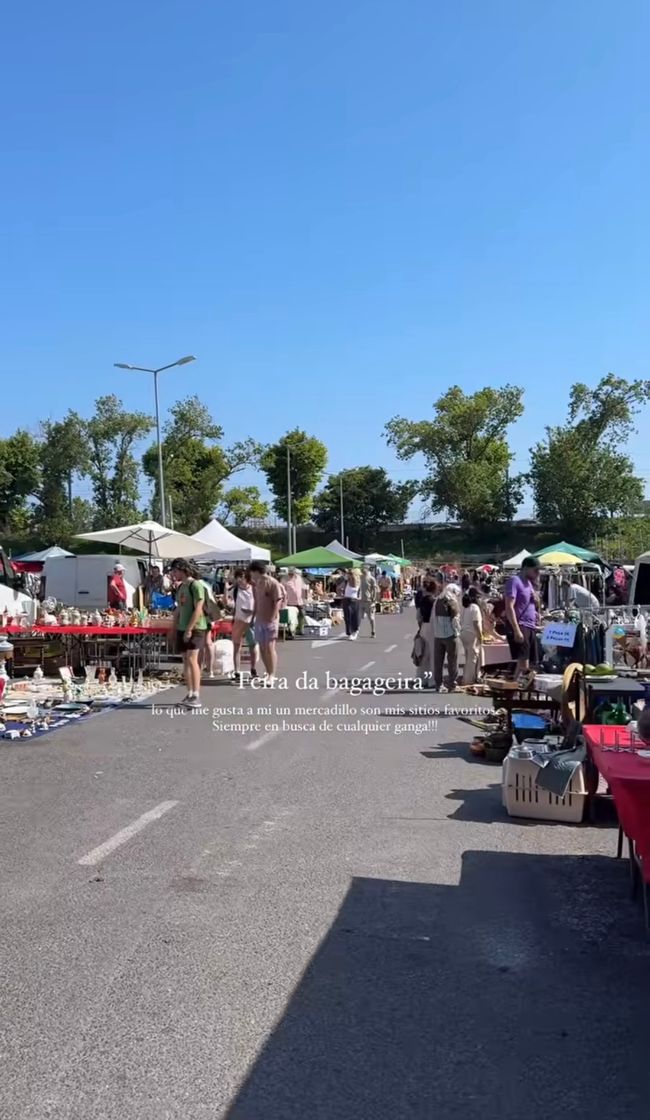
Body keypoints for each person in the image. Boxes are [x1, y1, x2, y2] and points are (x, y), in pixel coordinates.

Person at [169, 557, 209, 707]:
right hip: (182, 627)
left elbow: (199, 608)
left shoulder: (195, 585)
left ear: (181, 570)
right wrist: (173, 628)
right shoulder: (181, 587)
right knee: (185, 660)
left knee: (192, 659)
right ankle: (190, 692)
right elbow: (178, 609)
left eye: (174, 571)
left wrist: (189, 629)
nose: (173, 574)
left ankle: (196, 695)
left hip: (196, 627)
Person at [504, 555, 540, 684]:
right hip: (521, 625)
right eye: (536, 570)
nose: (538, 573)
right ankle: (519, 689)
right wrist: (516, 629)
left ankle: (516, 687)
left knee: (528, 662)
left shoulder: (529, 583)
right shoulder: (515, 581)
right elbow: (509, 606)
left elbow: (532, 604)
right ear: (526, 568)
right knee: (524, 662)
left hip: (530, 625)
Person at [249, 560, 283, 683]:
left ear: (256, 571)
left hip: (270, 620)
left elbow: (278, 601)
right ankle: (268, 672)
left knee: (269, 647)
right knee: (262, 647)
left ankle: (272, 675)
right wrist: (253, 617)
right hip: (259, 619)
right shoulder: (257, 584)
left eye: (252, 572)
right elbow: (257, 602)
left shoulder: (272, 583)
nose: (251, 575)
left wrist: (272, 617)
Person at [431, 580, 459, 693]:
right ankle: (452, 684)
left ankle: (439, 684)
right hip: (450, 634)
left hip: (438, 635)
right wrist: (457, 632)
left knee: (438, 661)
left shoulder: (437, 600)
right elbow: (455, 620)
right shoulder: (452, 601)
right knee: (452, 660)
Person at [230, 568, 258, 679]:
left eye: (243, 577)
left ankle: (253, 669)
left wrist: (252, 614)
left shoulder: (254, 589)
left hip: (251, 621)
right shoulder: (235, 590)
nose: (241, 579)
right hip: (238, 620)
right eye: (238, 577)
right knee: (237, 645)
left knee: (253, 645)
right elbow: (226, 602)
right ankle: (237, 671)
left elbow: (258, 605)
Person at [460, 587, 483, 685]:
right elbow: (476, 623)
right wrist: (480, 636)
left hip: (464, 633)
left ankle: (466, 678)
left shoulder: (466, 607)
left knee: (468, 658)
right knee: (472, 658)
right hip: (472, 634)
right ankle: (468, 680)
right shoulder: (475, 608)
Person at [282, 567, 306, 637]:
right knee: (291, 617)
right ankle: (292, 630)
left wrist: (304, 598)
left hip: (299, 601)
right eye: (290, 573)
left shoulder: (299, 578)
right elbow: (282, 589)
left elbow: (303, 588)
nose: (291, 574)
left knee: (302, 614)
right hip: (290, 601)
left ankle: (300, 629)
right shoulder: (284, 579)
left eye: (292, 573)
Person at [359, 566, 378, 637]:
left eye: (363, 569)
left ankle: (373, 631)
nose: (362, 570)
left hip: (369, 601)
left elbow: (375, 589)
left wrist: (374, 598)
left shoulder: (371, 579)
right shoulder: (360, 577)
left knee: (371, 617)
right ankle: (356, 631)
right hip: (361, 600)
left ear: (367, 570)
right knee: (359, 617)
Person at [342, 569, 361, 640]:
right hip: (346, 600)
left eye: (350, 574)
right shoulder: (347, 581)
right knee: (347, 617)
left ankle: (355, 631)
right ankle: (349, 633)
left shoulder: (358, 581)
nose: (348, 575)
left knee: (354, 617)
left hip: (354, 600)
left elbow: (356, 587)